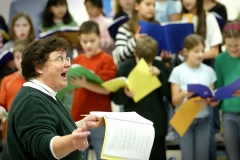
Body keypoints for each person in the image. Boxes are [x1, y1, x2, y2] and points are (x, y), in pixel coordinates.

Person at [2, 36, 104, 160]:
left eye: (66, 58)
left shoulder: (41, 95)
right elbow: (43, 144)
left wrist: (83, 123)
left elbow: (55, 130)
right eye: (59, 58)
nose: (68, 63)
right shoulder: (31, 100)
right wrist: (72, 141)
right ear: (38, 67)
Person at [111, 36, 171, 160]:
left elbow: (171, 94)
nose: (146, 65)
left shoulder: (160, 66)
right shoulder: (125, 68)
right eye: (142, 61)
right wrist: (125, 94)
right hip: (134, 127)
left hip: (157, 127)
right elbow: (116, 99)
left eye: (149, 61)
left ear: (155, 56)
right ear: (135, 52)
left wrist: (160, 75)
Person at [68, 20, 117, 160]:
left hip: (100, 118)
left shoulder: (106, 59)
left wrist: (84, 83)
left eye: (92, 41)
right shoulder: (77, 60)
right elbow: (71, 87)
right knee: (78, 156)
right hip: (78, 116)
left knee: (102, 155)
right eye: (84, 41)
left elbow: (107, 90)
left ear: (100, 38)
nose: (88, 45)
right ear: (79, 40)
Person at [169, 34, 218, 160]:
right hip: (184, 118)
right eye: (196, 51)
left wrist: (209, 101)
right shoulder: (178, 71)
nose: (200, 54)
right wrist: (184, 94)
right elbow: (174, 101)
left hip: (203, 120)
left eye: (202, 50)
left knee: (202, 156)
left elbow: (212, 98)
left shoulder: (209, 71)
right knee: (188, 156)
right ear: (186, 51)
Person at [214, 20, 240, 160]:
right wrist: (213, 99)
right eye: (229, 45)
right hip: (228, 114)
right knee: (233, 156)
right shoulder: (220, 59)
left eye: (236, 45)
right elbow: (219, 85)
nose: (232, 49)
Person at [0, 39, 30, 143]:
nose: (21, 61)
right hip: (10, 135)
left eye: (24, 57)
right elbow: (1, 105)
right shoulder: (7, 81)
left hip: (32, 133)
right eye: (17, 57)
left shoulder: (41, 80)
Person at [0, 12, 35, 81]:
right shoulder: (7, 46)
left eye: (25, 25)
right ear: (13, 28)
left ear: (30, 27)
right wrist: (9, 67)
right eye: (17, 26)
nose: (21, 29)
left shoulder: (36, 44)